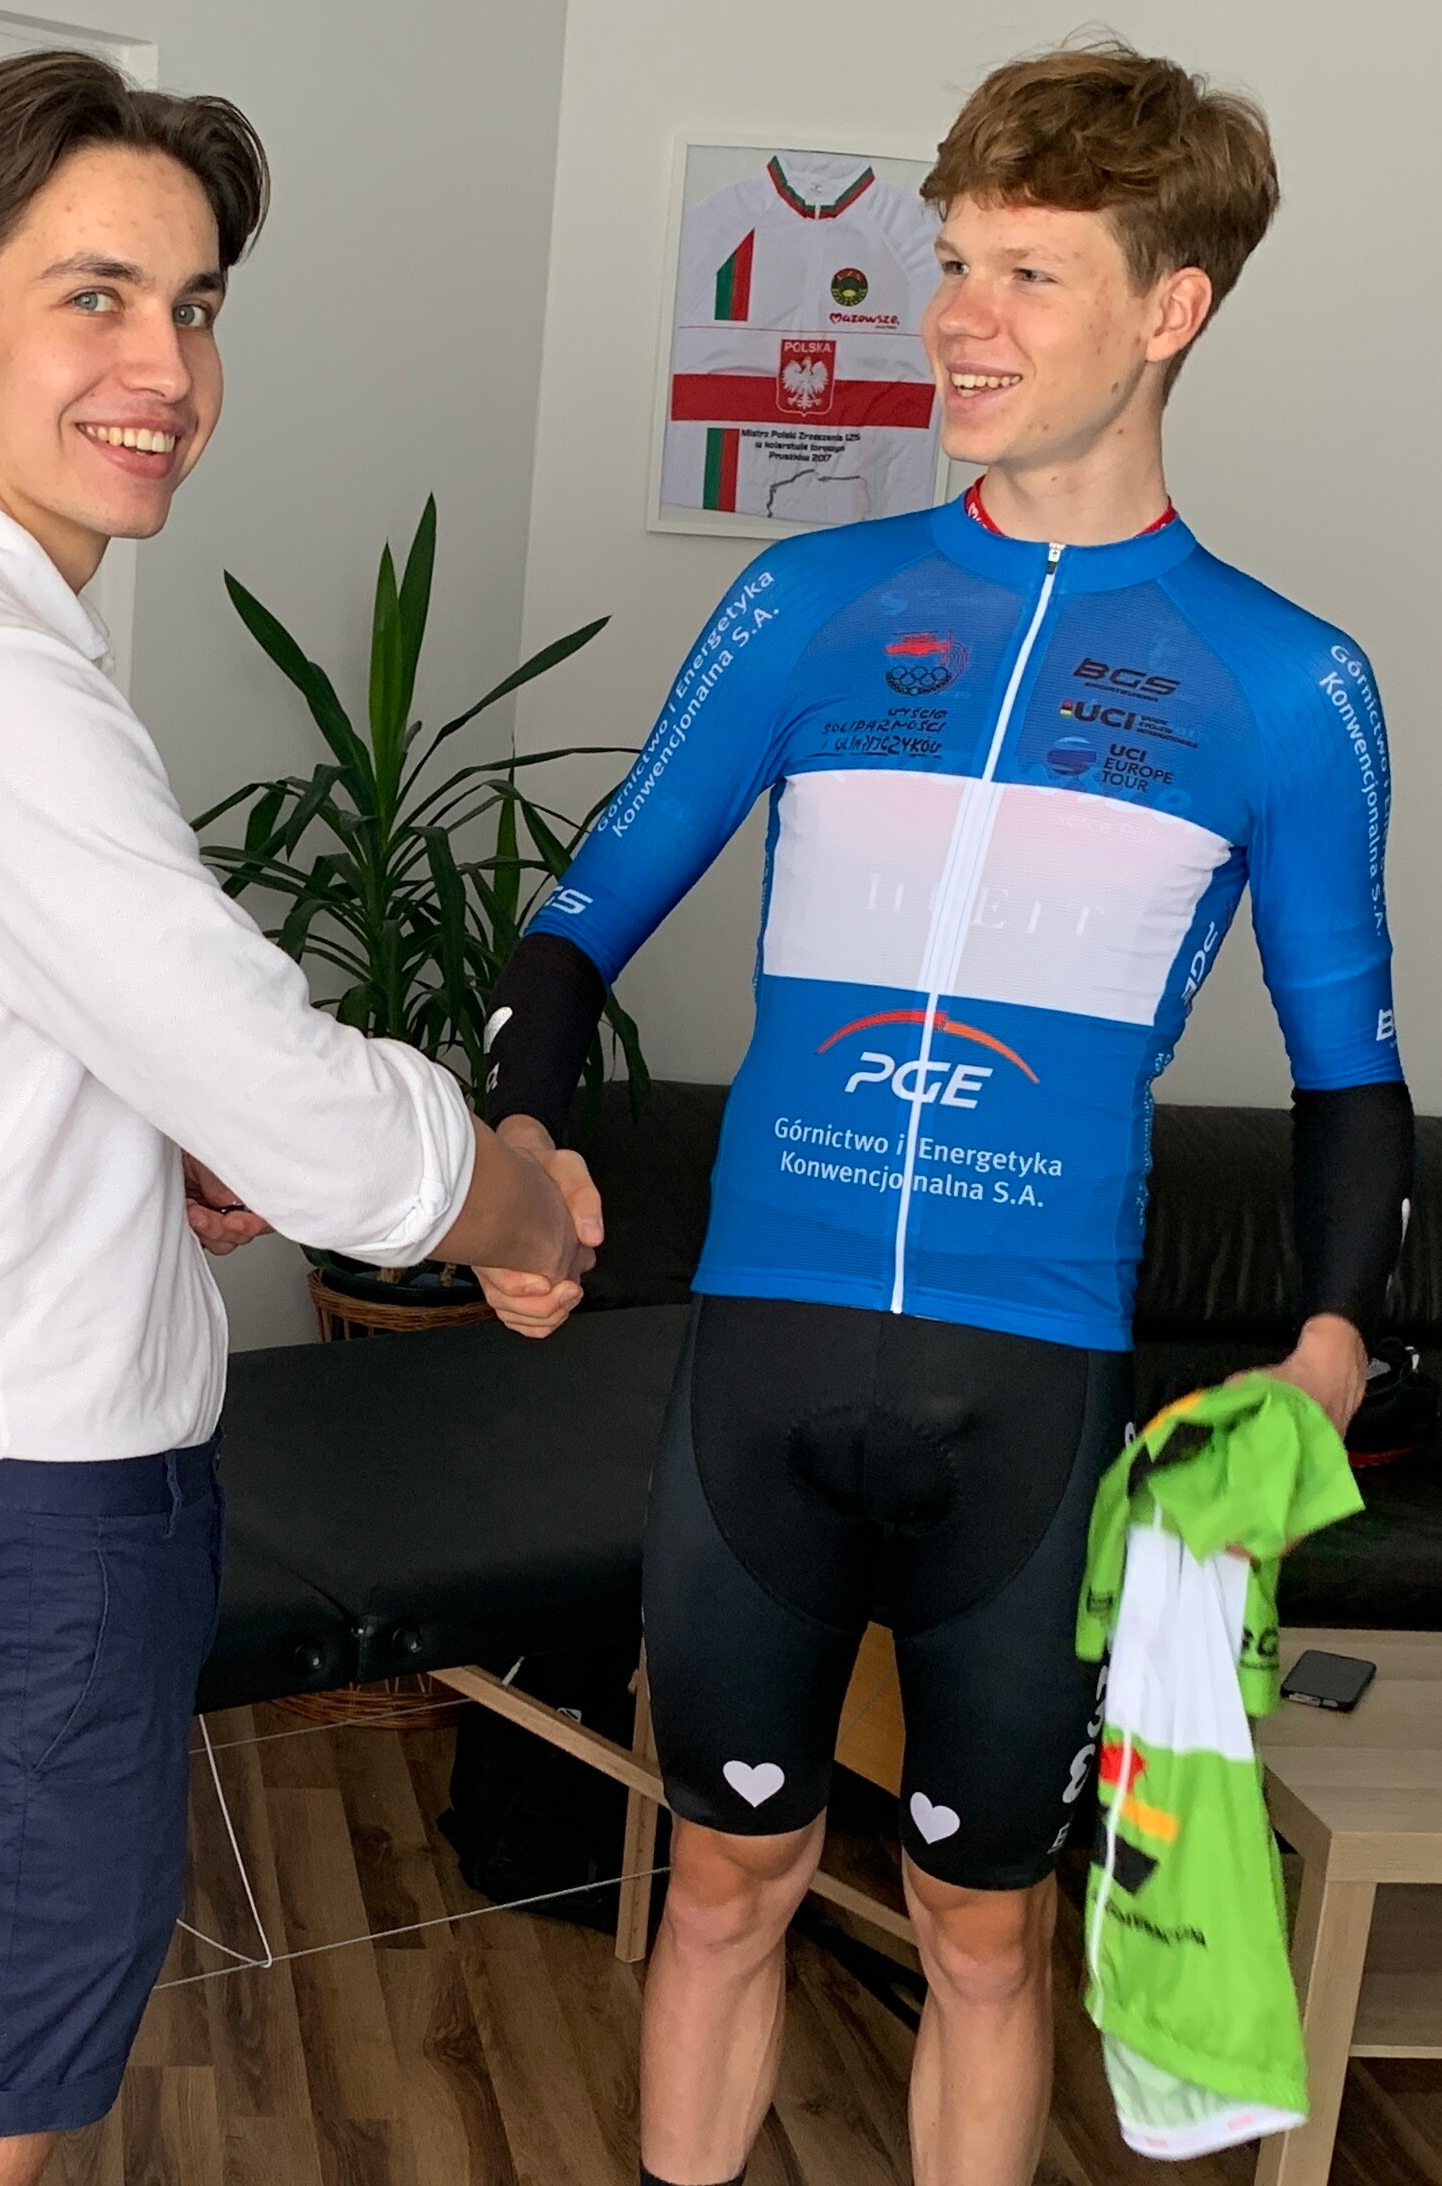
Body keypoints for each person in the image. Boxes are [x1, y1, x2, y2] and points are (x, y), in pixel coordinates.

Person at [478, 41, 1413, 2186]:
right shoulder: (810, 602)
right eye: (953, 261)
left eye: (1026, 272)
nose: (954, 320)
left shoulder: (1285, 682)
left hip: (1029, 1394)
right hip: (762, 1363)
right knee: (722, 1882)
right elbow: (580, 916)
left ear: (1168, 306)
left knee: (982, 1935)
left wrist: (1331, 1346)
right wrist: (521, 1132)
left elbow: (1348, 1072)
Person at [0, 51, 593, 2186]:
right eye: (94, 297)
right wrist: (516, 1200)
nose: (167, 370)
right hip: (23, 1544)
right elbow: (312, 1115)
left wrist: (149, 1149)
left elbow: (2, 1033)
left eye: (195, 305)